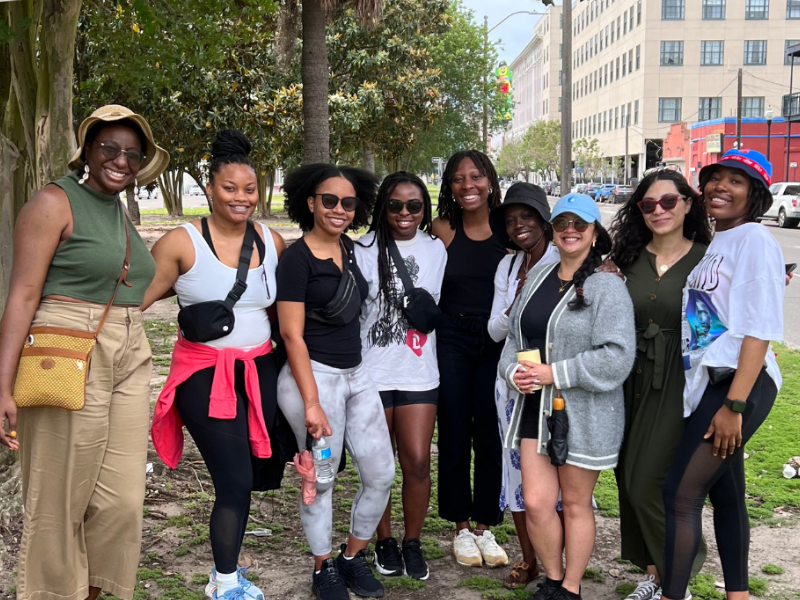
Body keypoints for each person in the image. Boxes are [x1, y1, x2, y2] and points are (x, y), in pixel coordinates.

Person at [0, 105, 169, 600]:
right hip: (66, 346)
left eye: (132, 154)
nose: (121, 161)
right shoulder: (55, 201)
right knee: (58, 500)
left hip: (128, 350)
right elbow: (23, 296)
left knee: (121, 503)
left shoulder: (117, 210)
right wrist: (2, 383)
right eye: (110, 149)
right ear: (89, 150)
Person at [145, 130, 293, 600]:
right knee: (234, 480)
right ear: (209, 188)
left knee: (247, 477)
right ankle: (224, 582)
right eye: (230, 188)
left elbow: (280, 312)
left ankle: (229, 571)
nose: (241, 198)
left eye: (249, 189)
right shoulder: (181, 242)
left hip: (261, 371)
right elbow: (137, 301)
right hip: (205, 376)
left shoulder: (272, 240)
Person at [660, 149, 784, 600]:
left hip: (739, 385)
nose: (721, 188)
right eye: (715, 178)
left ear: (754, 195)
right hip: (715, 381)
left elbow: (759, 330)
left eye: (736, 181)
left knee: (680, 493)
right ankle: (739, 595)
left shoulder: (754, 240)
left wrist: (734, 405)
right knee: (725, 495)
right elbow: (715, 318)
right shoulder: (723, 240)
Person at [500, 194, 635, 600]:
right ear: (552, 231)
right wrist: (513, 374)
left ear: (595, 233)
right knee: (539, 503)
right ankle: (553, 579)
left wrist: (554, 373)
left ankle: (571, 588)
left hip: (584, 413)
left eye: (580, 224)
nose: (570, 230)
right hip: (534, 410)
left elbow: (617, 357)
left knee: (575, 504)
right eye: (562, 223)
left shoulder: (607, 287)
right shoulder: (538, 279)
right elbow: (512, 340)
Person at [275, 163, 395, 600]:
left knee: (381, 473)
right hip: (314, 381)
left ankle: (352, 557)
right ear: (310, 203)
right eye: (329, 200)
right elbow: (291, 334)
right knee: (321, 478)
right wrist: (311, 402)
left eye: (348, 202)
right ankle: (323, 566)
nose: (339, 209)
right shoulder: (297, 259)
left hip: (357, 376)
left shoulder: (349, 249)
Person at [606, 168, 713, 600]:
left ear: (688, 203)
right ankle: (655, 572)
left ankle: (677, 580)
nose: (658, 211)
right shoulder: (624, 260)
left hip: (678, 380)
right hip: (627, 378)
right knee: (624, 475)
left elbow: (716, 330)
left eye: (668, 201)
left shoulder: (709, 258)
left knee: (646, 479)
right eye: (648, 204)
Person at [354, 172, 446, 581]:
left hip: (417, 371)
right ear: (382, 208)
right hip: (370, 371)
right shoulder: (361, 249)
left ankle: (412, 541)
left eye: (414, 206)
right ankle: (384, 542)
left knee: (417, 461)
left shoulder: (435, 250)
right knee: (378, 467)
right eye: (395, 205)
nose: (405, 213)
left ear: (424, 210)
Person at [431, 150, 509, 568]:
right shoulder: (443, 228)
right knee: (457, 428)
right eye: (458, 179)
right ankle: (460, 527)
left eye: (475, 176)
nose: (468, 185)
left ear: (490, 180)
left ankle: (485, 525)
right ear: (450, 186)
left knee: (491, 432)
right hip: (452, 337)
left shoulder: (509, 227)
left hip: (498, 338)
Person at [487, 182, 559, 589]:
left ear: (543, 219)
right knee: (516, 478)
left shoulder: (564, 257)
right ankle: (529, 559)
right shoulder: (509, 267)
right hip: (514, 385)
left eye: (526, 217)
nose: (519, 226)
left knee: (557, 479)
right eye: (511, 221)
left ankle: (559, 571)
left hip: (556, 386)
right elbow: (495, 330)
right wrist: (518, 299)